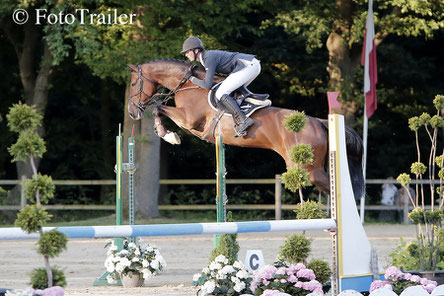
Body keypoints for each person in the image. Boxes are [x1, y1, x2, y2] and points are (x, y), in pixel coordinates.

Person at [181, 36, 268, 137]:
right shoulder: (206, 58)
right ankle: (249, 107)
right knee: (230, 91)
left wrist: (191, 78)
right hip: (251, 65)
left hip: (248, 65)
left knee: (220, 93)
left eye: (187, 52)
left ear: (196, 50)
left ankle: (243, 119)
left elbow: (207, 85)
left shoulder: (208, 58)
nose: (186, 55)